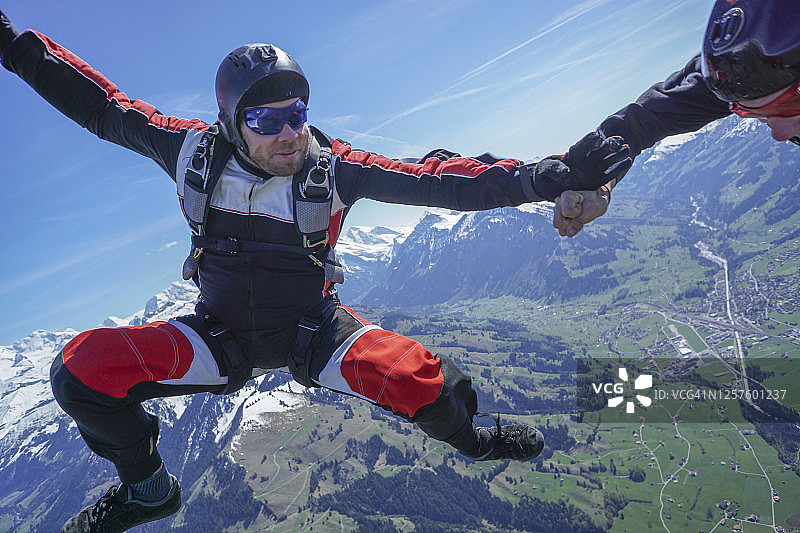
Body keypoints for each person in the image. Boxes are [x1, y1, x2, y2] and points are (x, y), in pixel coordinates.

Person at [0, 9, 631, 533]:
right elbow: (100, 105)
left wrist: (540, 177)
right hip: (219, 337)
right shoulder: (190, 150)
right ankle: (148, 489)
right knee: (79, 369)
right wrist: (11, 45)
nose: (288, 135)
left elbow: (436, 181)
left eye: (297, 114)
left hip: (313, 327)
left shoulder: (330, 171)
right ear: (229, 124)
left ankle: (478, 440)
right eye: (266, 121)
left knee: (421, 384)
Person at [551, 0, 800, 238]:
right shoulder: (740, 75)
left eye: (789, 105)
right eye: (757, 115)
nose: (779, 134)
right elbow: (646, 119)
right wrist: (598, 178)